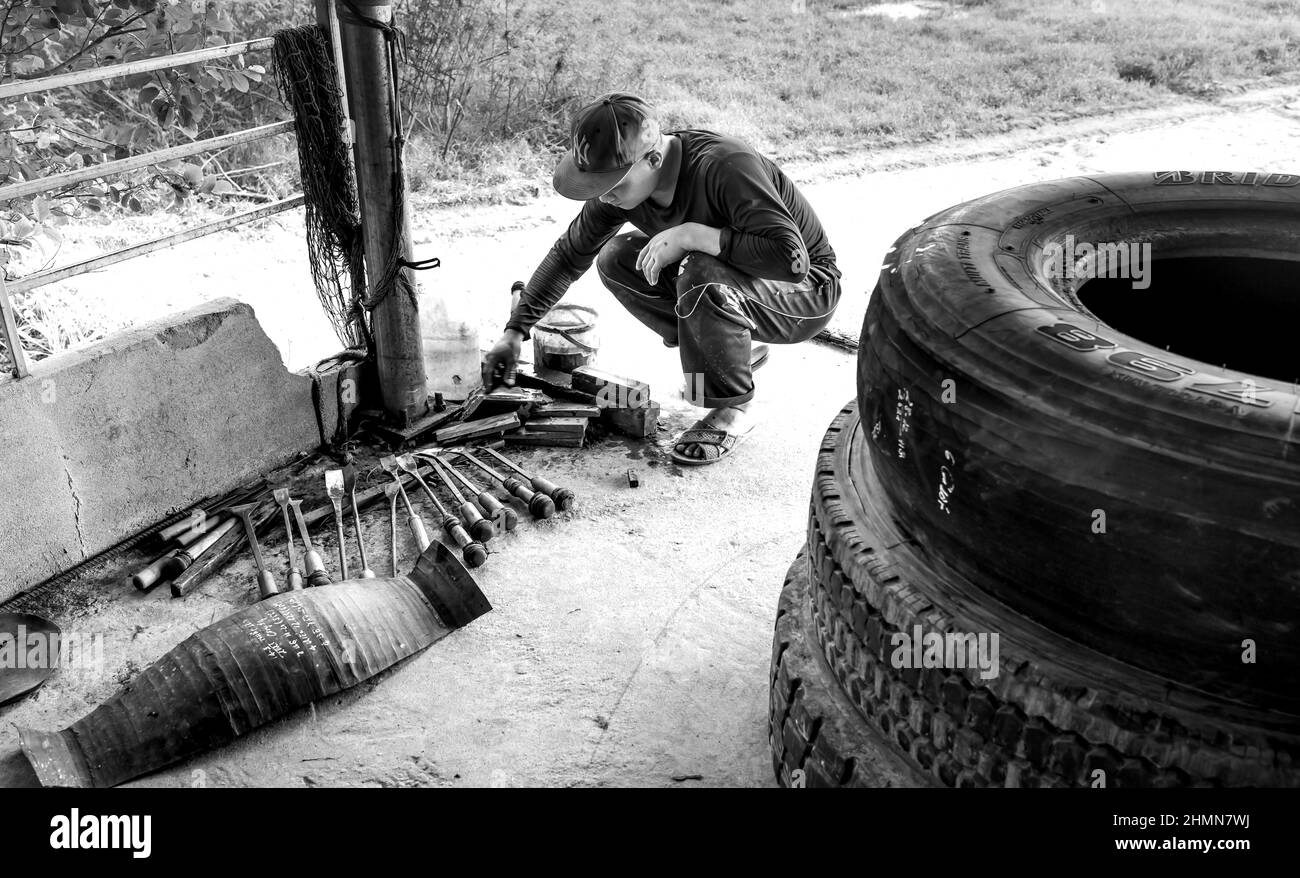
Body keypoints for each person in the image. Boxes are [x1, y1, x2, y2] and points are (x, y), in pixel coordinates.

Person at [482, 92, 841, 465]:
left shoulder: (725, 165)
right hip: (736, 282)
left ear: (654, 158)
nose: (604, 199)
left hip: (806, 292)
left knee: (700, 275)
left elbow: (792, 260)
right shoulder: (623, 190)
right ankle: (727, 362)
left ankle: (733, 409)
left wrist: (691, 235)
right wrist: (514, 332)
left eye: (613, 185)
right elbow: (569, 255)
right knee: (617, 258)